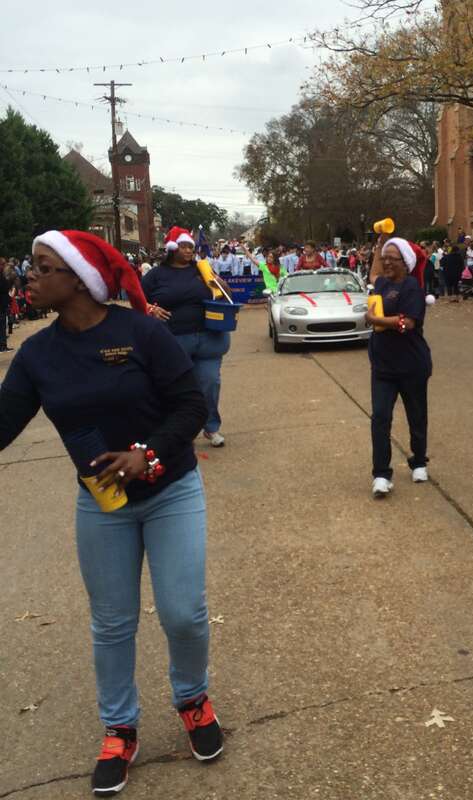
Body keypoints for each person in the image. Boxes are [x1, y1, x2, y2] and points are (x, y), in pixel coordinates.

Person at [0, 230, 223, 795]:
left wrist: (146, 453)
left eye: (43, 266)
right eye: (31, 266)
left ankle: (192, 699)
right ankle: (120, 727)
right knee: (112, 621)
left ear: (78, 278)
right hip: (102, 505)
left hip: (170, 490)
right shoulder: (37, 354)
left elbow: (191, 403)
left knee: (182, 613)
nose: (30, 275)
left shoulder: (141, 331)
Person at [142, 227, 232, 448]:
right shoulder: (156, 274)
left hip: (209, 338)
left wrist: (221, 285)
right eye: (184, 246)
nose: (189, 251)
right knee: (177, 388)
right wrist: (150, 309)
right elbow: (137, 300)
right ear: (172, 249)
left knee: (210, 384)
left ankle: (211, 428)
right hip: (172, 341)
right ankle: (180, 431)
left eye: (191, 247)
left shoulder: (202, 269)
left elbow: (226, 296)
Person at [365, 235, 432, 498]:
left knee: (416, 416)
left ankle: (418, 462)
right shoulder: (381, 283)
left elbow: (408, 323)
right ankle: (381, 474)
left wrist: (376, 319)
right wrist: (379, 245)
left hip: (411, 365)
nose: (386, 263)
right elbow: (373, 273)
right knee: (380, 418)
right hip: (383, 367)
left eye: (392, 259)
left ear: (405, 262)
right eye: (385, 260)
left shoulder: (412, 287)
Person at [0, 261, 11, 353]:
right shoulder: (1, 276)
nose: (4, 266)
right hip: (2, 304)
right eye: (3, 265)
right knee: (2, 325)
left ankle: (3, 345)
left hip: (3, 303)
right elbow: (5, 287)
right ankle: (3, 346)